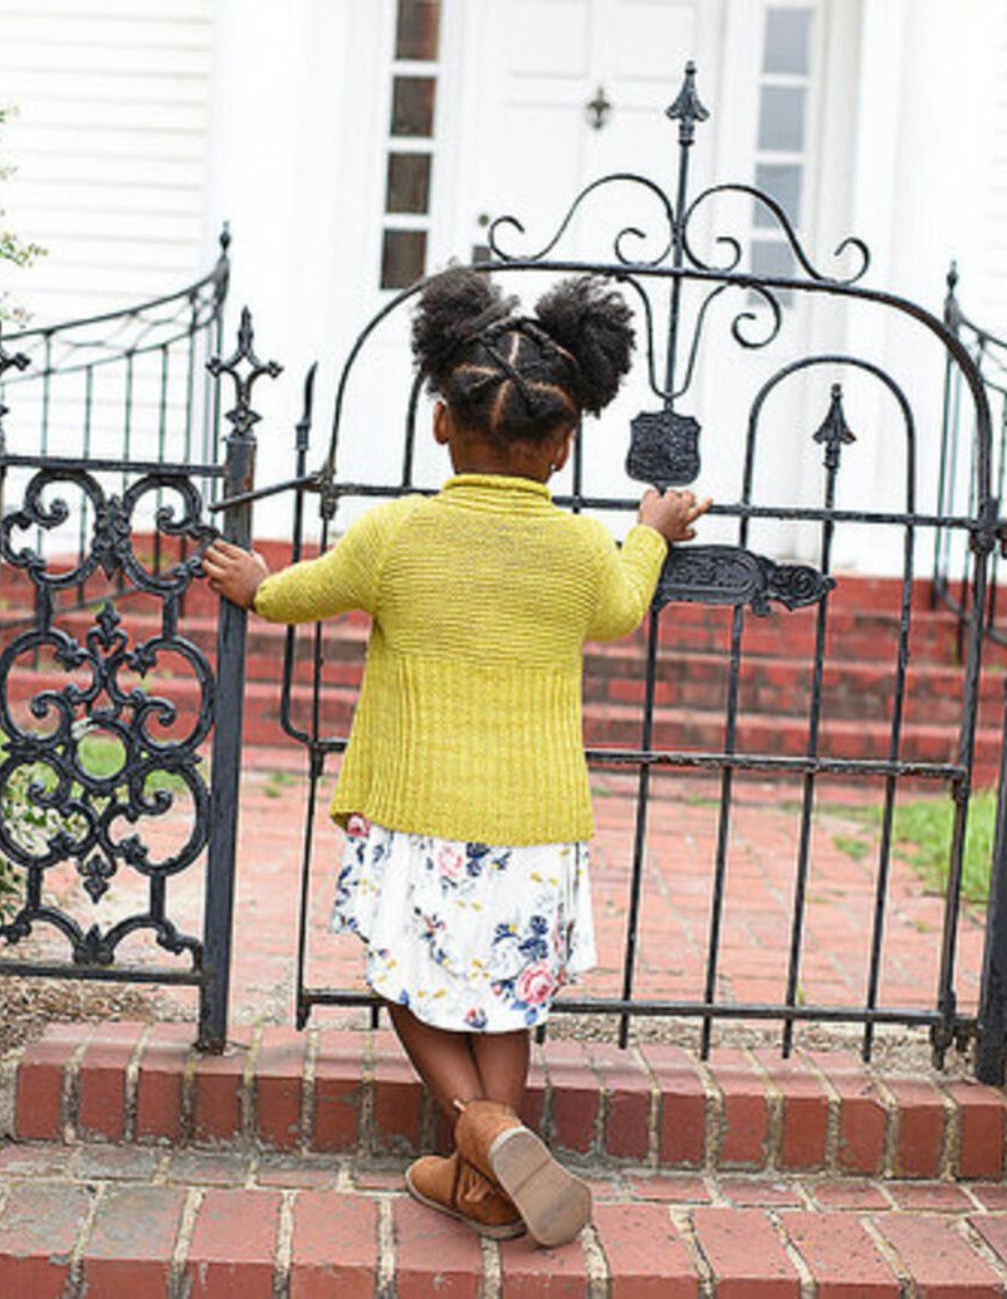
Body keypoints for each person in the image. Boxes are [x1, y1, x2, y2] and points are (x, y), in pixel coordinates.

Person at [202, 265, 709, 1246]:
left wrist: (256, 588)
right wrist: (649, 532)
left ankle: (481, 1132)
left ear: (442, 423)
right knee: (506, 996)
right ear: (565, 446)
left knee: (407, 979)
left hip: (413, 809)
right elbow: (621, 604)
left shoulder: (395, 533)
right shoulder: (575, 552)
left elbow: (301, 594)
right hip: (532, 821)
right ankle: (486, 1176)